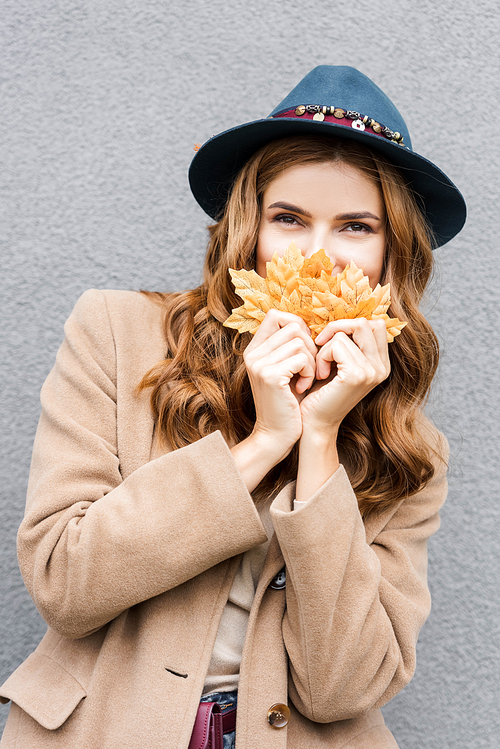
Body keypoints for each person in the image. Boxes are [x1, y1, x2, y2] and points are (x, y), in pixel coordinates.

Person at [0, 66, 466, 749]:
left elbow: (341, 688)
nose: (316, 256)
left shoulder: (411, 446)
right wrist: (263, 442)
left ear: (391, 259)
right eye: (289, 219)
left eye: (355, 227)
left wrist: (320, 440)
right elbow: (65, 582)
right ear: (248, 233)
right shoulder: (117, 333)